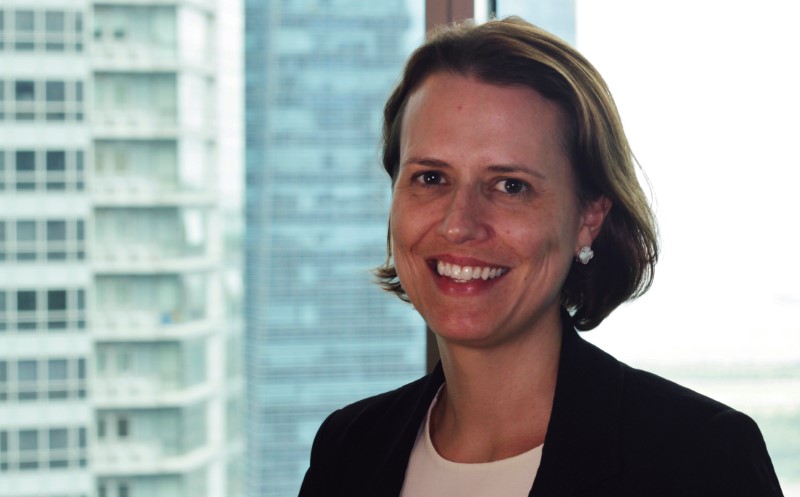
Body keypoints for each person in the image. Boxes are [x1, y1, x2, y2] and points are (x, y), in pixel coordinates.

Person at [298, 17, 784, 497]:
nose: (458, 224)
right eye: (431, 178)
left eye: (511, 186)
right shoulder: (349, 447)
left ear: (588, 218)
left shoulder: (701, 459)